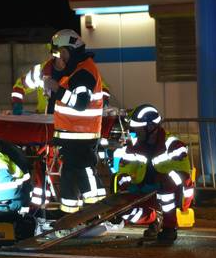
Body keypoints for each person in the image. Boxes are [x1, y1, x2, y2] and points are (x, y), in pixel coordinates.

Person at [44, 29, 107, 214]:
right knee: (70, 176)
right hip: (74, 136)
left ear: (69, 50)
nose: (59, 58)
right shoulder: (77, 71)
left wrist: (58, 89)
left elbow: (80, 104)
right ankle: (71, 216)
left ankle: (96, 212)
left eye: (60, 53)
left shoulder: (84, 72)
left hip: (81, 136)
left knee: (83, 173)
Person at [114, 104, 194, 244]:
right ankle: (154, 218)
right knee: (121, 210)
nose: (135, 133)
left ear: (150, 127)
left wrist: (163, 179)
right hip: (144, 192)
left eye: (138, 129)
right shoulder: (134, 147)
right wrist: (124, 181)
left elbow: (183, 175)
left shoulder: (173, 146)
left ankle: (169, 228)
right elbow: (123, 170)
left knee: (166, 187)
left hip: (170, 194)